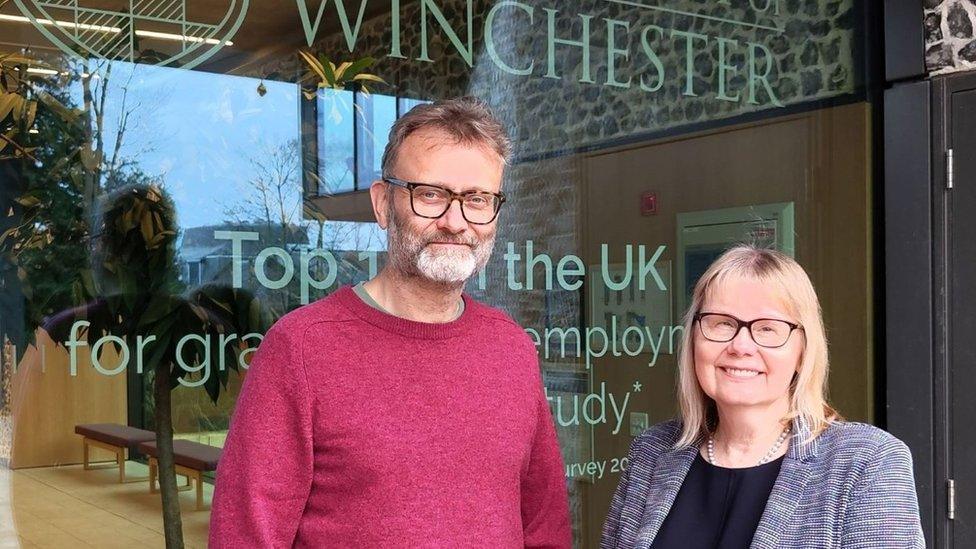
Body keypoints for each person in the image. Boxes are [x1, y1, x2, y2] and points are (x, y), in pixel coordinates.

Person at [210, 97, 571, 548]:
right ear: (383, 204)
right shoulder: (301, 350)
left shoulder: (512, 349)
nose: (455, 221)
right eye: (431, 194)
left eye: (477, 199)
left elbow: (545, 526)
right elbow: (246, 535)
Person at [601, 245, 924, 549]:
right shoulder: (653, 450)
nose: (741, 346)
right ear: (694, 340)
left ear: (802, 351)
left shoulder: (867, 461)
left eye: (768, 328)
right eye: (722, 323)